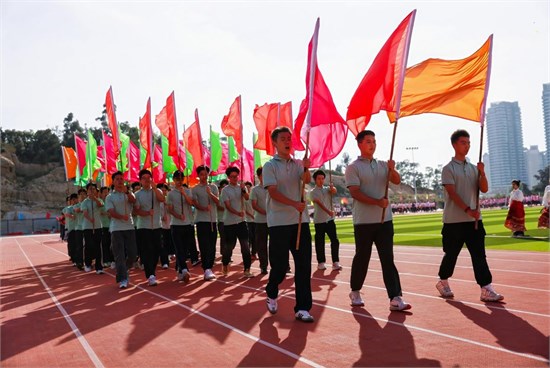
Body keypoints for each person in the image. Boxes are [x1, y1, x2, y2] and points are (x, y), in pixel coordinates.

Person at [345, 130, 411, 311]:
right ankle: (355, 290)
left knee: (387, 258)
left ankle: (395, 297)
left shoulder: (383, 165)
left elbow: (396, 180)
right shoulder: (353, 167)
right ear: (359, 144)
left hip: (385, 221)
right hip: (364, 222)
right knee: (362, 258)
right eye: (368, 141)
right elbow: (355, 192)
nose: (372, 144)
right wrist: (376, 202)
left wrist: (393, 169)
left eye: (374, 141)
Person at [435, 129, 504, 302]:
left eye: (469, 143)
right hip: (454, 222)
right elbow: (452, 193)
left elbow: (485, 189)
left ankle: (486, 287)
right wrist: (468, 209)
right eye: (463, 142)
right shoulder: (448, 169)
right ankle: (443, 281)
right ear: (454, 145)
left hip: (474, 221)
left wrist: (482, 172)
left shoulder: (474, 169)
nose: (467, 146)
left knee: (479, 255)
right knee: (451, 254)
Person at [264, 126, 314, 323]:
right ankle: (271, 290)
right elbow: (273, 192)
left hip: (299, 222)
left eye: (289, 138)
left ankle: (302, 308)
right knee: (280, 266)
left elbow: (306, 180)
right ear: (275, 143)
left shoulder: (298, 164)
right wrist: (294, 204)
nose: (287, 141)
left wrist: (306, 167)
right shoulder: (270, 166)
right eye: (282, 138)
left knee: (303, 266)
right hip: (278, 223)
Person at [105, 171, 138, 289]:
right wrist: (121, 217)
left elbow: (134, 201)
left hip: (129, 226)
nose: (120, 181)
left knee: (133, 254)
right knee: (119, 255)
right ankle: (123, 278)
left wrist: (127, 192)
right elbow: (111, 212)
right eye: (117, 179)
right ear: (113, 182)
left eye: (121, 179)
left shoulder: (128, 193)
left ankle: (125, 269)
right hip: (116, 228)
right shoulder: (110, 197)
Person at [220, 166, 254, 278]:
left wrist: (244, 189)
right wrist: (237, 212)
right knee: (229, 247)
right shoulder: (225, 190)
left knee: (245, 246)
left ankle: (247, 269)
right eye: (232, 177)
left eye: (236, 176)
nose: (235, 178)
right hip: (230, 223)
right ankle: (225, 263)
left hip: (241, 222)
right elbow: (228, 206)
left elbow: (247, 198)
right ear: (229, 177)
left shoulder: (241, 188)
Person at [134, 169, 165, 286]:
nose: (147, 180)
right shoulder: (137, 195)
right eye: (144, 178)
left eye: (149, 178)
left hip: (156, 226)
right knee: (147, 251)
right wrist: (147, 213)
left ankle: (151, 269)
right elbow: (135, 211)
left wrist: (155, 188)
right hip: (144, 227)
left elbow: (162, 199)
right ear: (140, 180)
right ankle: (150, 275)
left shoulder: (156, 192)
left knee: (157, 249)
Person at [192, 165, 220, 281]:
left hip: (212, 220)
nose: (204, 176)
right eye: (201, 174)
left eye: (205, 174)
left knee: (212, 245)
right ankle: (206, 268)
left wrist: (210, 194)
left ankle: (210, 266)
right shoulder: (195, 189)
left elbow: (218, 202)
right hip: (202, 221)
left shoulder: (213, 187)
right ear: (198, 175)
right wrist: (203, 208)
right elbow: (195, 203)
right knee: (204, 245)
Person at [310, 169, 342, 271]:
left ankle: (335, 262)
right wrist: (328, 211)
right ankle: (321, 262)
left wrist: (333, 188)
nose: (321, 180)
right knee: (320, 242)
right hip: (319, 220)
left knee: (335, 240)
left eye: (323, 178)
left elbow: (334, 191)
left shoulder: (327, 189)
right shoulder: (312, 192)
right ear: (315, 180)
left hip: (330, 220)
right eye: (319, 178)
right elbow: (319, 203)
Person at [166, 170, 194, 283]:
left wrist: (184, 193)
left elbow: (191, 203)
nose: (179, 181)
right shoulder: (170, 194)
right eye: (177, 179)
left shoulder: (187, 191)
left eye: (181, 179)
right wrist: (178, 215)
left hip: (188, 224)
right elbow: (169, 209)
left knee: (185, 249)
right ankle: (183, 269)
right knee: (179, 249)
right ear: (174, 180)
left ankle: (180, 269)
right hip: (176, 225)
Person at [81, 182, 104, 274]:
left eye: (93, 189)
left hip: (98, 226)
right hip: (87, 227)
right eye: (90, 189)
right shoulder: (84, 202)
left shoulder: (99, 200)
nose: (92, 191)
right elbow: (85, 213)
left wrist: (94, 198)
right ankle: (87, 263)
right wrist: (90, 219)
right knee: (89, 245)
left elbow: (100, 205)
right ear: (87, 191)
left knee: (98, 246)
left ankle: (99, 266)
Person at [250, 167, 269, 275]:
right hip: (260, 221)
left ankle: (282, 266)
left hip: (273, 221)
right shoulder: (255, 190)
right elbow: (254, 205)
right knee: (261, 245)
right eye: (262, 175)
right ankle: (263, 266)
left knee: (276, 244)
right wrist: (265, 212)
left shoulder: (272, 187)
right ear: (259, 176)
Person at [157, 183, 173, 269]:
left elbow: (174, 210)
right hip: (161, 225)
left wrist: (169, 207)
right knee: (163, 244)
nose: (163, 192)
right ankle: (164, 261)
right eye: (161, 190)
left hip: (170, 224)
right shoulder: (156, 201)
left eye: (164, 190)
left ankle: (169, 255)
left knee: (169, 242)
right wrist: (160, 217)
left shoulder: (169, 200)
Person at [99, 186, 115, 269]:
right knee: (105, 244)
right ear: (100, 194)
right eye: (104, 192)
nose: (106, 194)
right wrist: (108, 214)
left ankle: (113, 260)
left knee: (112, 244)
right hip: (104, 226)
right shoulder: (100, 203)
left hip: (112, 226)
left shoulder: (111, 202)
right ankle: (106, 261)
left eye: (107, 192)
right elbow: (101, 213)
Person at [216, 179, 229, 257]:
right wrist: (228, 208)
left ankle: (227, 253)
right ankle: (224, 254)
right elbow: (218, 207)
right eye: (222, 187)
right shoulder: (218, 197)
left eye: (226, 187)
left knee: (230, 238)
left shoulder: (229, 195)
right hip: (221, 221)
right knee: (224, 238)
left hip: (229, 220)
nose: (224, 189)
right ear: (220, 188)